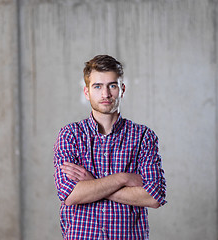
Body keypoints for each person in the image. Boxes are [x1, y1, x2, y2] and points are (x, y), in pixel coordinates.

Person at [53, 55, 167, 240]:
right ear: (86, 92)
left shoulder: (143, 136)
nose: (105, 94)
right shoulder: (70, 134)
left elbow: (154, 197)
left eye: (112, 86)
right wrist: (123, 178)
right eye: (97, 86)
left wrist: (93, 183)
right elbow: (71, 195)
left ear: (122, 89)